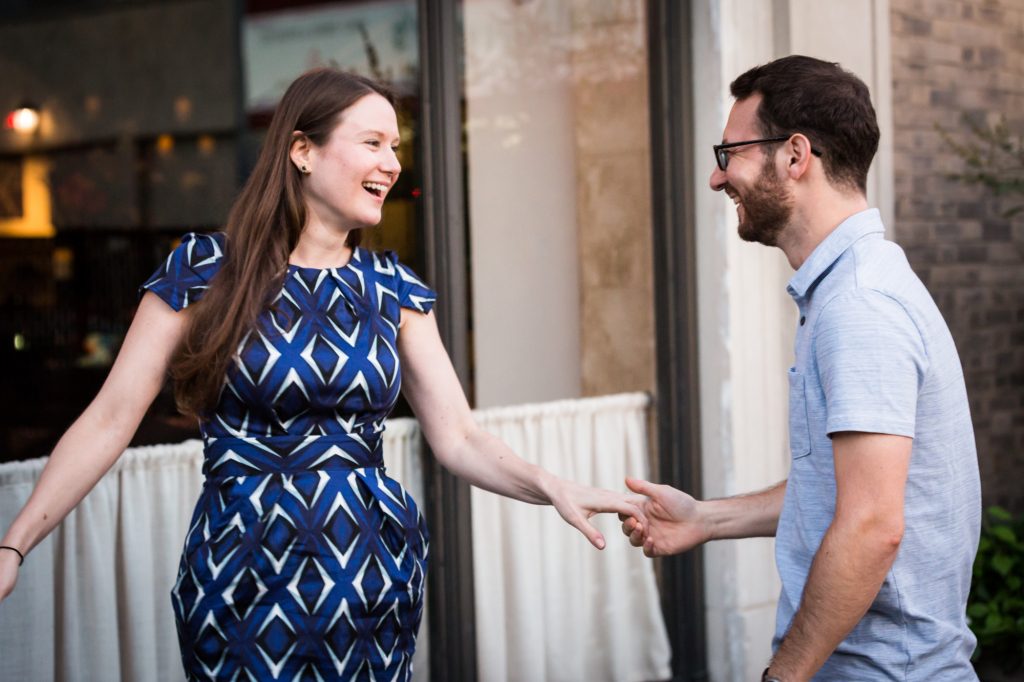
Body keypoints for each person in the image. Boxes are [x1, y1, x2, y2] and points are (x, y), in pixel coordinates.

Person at [0, 68, 643, 681]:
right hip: (243, 573)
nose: (392, 162)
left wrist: (550, 485)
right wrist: (15, 544)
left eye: (396, 145)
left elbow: (461, 438)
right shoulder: (203, 270)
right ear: (302, 151)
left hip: (371, 571)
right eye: (372, 142)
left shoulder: (394, 290)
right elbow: (111, 418)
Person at [622, 55, 981, 681]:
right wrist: (708, 519)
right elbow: (853, 494)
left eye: (729, 151)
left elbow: (871, 526)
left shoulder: (860, 304)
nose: (716, 177)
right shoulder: (855, 287)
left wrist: (782, 676)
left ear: (794, 155)